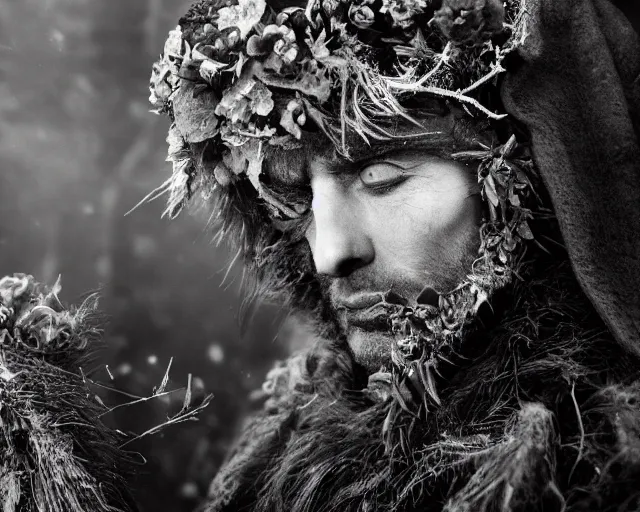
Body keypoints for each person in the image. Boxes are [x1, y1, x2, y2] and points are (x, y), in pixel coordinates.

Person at [148, 0, 640, 510]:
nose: (330, 252)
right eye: (291, 201)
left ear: (525, 173)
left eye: (381, 179)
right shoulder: (282, 445)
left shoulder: (603, 451)